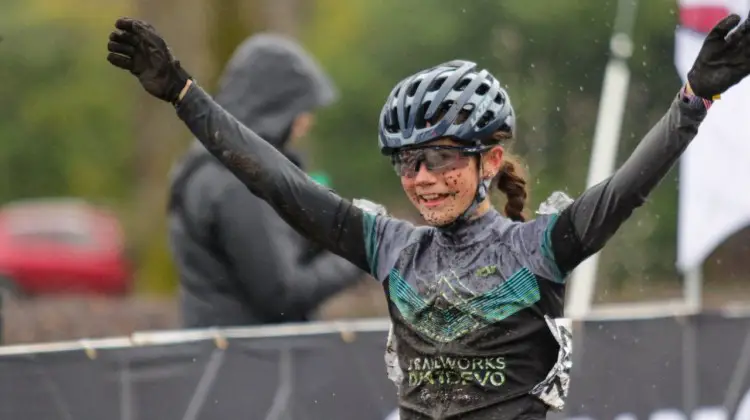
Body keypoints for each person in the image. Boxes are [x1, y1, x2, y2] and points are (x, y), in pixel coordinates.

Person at [106, 13, 750, 419]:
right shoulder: (388, 246)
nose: (422, 180)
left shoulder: (542, 248)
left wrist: (695, 97)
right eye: (407, 164)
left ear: (490, 159)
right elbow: (276, 181)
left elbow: (629, 187)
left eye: (442, 159)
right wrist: (184, 95)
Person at [166, 33, 365, 328]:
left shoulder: (211, 166)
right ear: (275, 107)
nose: (308, 121)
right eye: (302, 109)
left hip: (228, 358)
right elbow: (281, 296)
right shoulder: (240, 183)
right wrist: (361, 249)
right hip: (253, 364)